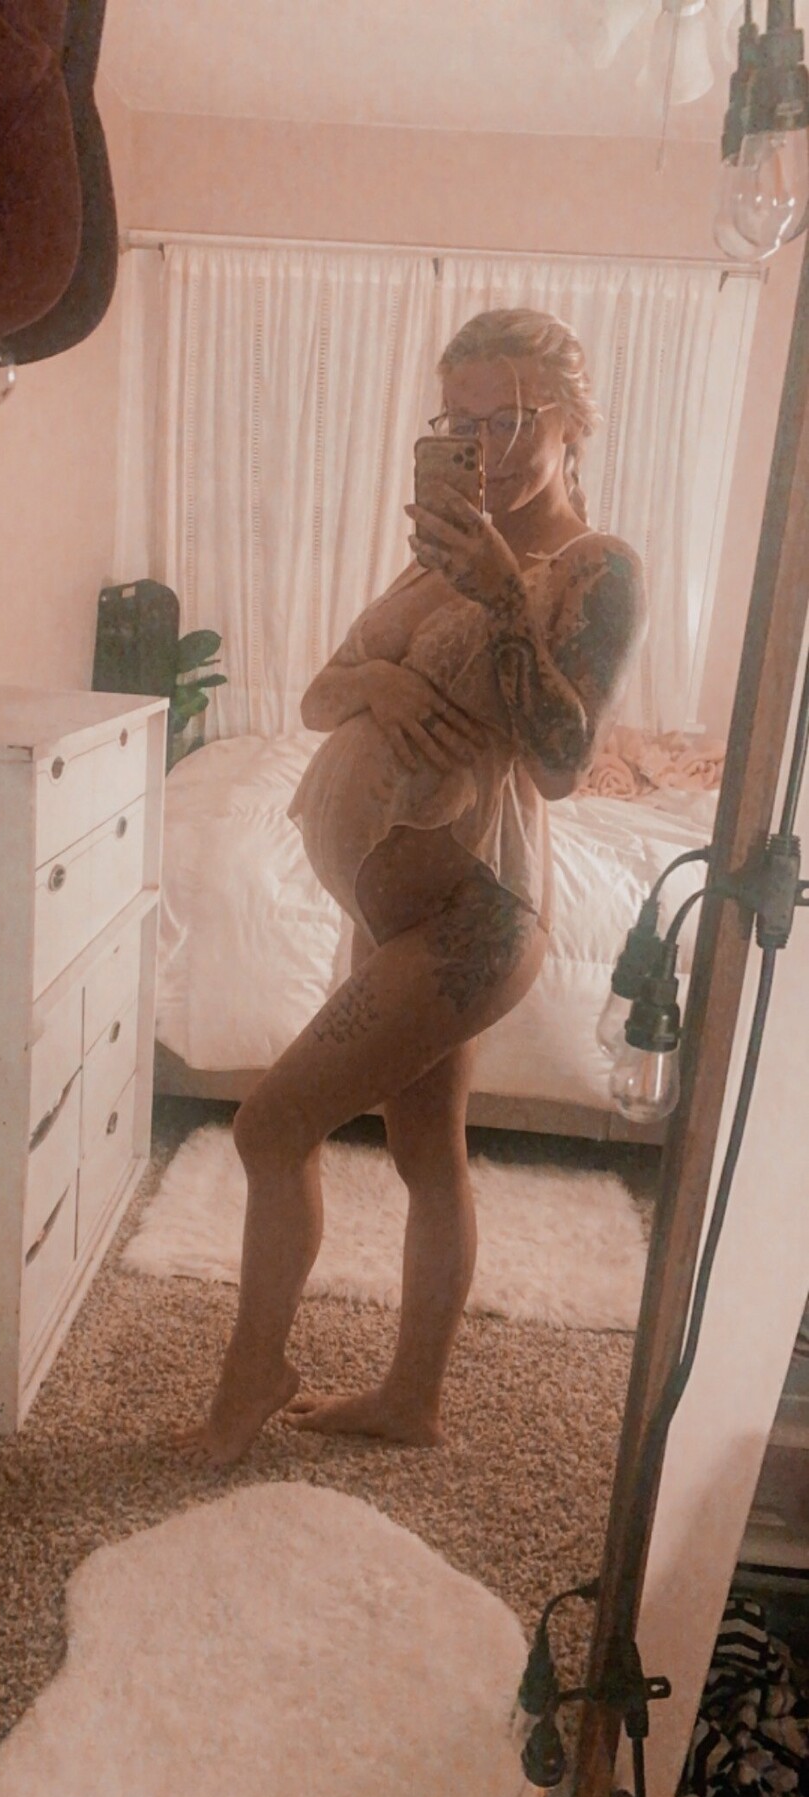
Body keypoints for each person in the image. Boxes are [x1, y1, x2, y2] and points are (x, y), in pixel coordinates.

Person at [176, 307, 647, 1469]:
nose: (484, 447)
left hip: (470, 915)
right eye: (460, 422)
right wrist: (381, 686)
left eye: (510, 420)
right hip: (392, 911)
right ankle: (409, 1400)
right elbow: (319, 696)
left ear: (571, 423)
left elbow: (563, 762)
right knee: (426, 1154)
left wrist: (501, 592)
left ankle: (252, 1376)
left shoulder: (596, 567)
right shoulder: (436, 548)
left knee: (269, 1126)